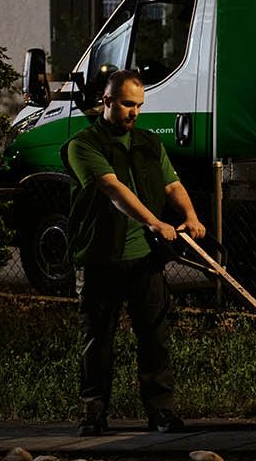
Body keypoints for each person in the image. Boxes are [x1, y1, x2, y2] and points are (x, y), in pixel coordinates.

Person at [61, 68, 206, 435]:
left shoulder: (148, 143)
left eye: (139, 105)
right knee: (98, 340)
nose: (134, 112)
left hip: (146, 260)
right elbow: (113, 190)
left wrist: (189, 215)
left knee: (155, 337)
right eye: (127, 104)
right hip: (99, 257)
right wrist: (155, 222)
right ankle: (93, 413)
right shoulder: (83, 145)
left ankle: (161, 411)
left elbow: (172, 183)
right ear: (107, 101)